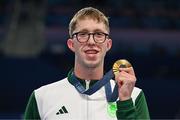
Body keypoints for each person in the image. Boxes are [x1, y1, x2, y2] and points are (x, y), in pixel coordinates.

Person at [24, 7, 150, 120]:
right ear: (71, 44)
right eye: (83, 34)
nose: (91, 41)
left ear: (108, 44)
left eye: (99, 34)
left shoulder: (134, 95)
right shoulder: (42, 97)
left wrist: (125, 103)